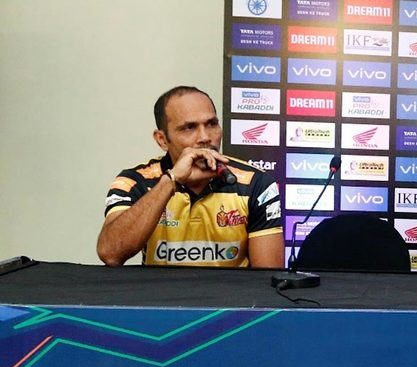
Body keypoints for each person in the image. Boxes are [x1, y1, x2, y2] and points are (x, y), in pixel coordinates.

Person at [97, 86, 283, 268]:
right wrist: (171, 181)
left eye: (211, 124)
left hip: (229, 299)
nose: (205, 137)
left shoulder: (255, 183)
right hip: (159, 298)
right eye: (189, 128)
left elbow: (266, 281)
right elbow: (111, 254)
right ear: (162, 139)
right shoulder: (134, 182)